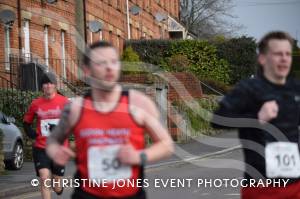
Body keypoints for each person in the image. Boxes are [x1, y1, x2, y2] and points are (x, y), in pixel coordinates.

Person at [46, 41, 174, 199]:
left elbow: (167, 145)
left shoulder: (139, 103)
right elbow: (52, 141)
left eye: (114, 62)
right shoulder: (75, 109)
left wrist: (139, 156)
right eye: (101, 63)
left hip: (130, 195)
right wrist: (56, 152)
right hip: (87, 195)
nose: (109, 67)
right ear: (87, 70)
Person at [211, 31, 300, 198]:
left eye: (287, 54)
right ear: (262, 58)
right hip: (261, 186)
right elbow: (218, 119)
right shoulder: (249, 88)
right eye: (278, 54)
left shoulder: (295, 88)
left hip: (295, 184)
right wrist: (257, 119)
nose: (284, 59)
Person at [23, 72, 69, 199]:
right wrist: (31, 132)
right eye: (45, 83)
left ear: (55, 85)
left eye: (50, 83)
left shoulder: (64, 102)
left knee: (56, 184)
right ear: (42, 87)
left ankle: (58, 188)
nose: (48, 86)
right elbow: (27, 122)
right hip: (41, 147)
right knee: (44, 178)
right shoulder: (36, 104)